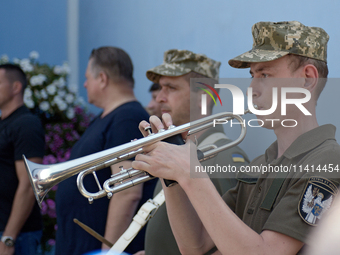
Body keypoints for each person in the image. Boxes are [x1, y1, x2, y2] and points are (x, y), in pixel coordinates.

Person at [132, 21, 340, 254]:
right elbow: (195, 246)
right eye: (252, 75)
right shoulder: (260, 164)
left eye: (265, 74)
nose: (252, 88)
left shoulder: (327, 160)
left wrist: (191, 174)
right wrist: (170, 175)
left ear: (308, 79)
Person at [134, 49, 249, 255]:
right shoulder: (174, 153)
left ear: (204, 98)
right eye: (161, 88)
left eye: (171, 88)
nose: (160, 97)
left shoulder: (225, 157)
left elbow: (233, 244)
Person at [55, 46, 157, 255]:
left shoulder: (127, 118)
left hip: (99, 249)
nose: (84, 84)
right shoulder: (107, 118)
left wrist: (110, 251)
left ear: (102, 78)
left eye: (87, 78)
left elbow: (127, 191)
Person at [0, 64, 45, 255]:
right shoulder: (5, 123)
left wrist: (8, 238)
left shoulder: (26, 124)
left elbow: (28, 184)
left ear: (16, 87)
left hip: (18, 236)